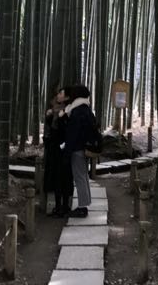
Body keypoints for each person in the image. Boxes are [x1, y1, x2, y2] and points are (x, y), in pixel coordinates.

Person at [62, 84, 97, 218]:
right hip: (84, 148)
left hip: (77, 149)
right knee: (83, 176)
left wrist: (67, 152)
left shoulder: (77, 111)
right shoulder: (86, 109)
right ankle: (85, 203)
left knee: (80, 178)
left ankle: (82, 208)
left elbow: (73, 134)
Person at [43, 87, 73, 217]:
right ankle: (57, 206)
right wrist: (49, 117)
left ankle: (65, 207)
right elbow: (52, 129)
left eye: (61, 93)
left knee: (63, 178)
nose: (58, 95)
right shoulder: (55, 109)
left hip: (63, 150)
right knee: (55, 177)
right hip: (54, 149)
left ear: (66, 97)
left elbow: (66, 131)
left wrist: (61, 118)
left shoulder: (68, 111)